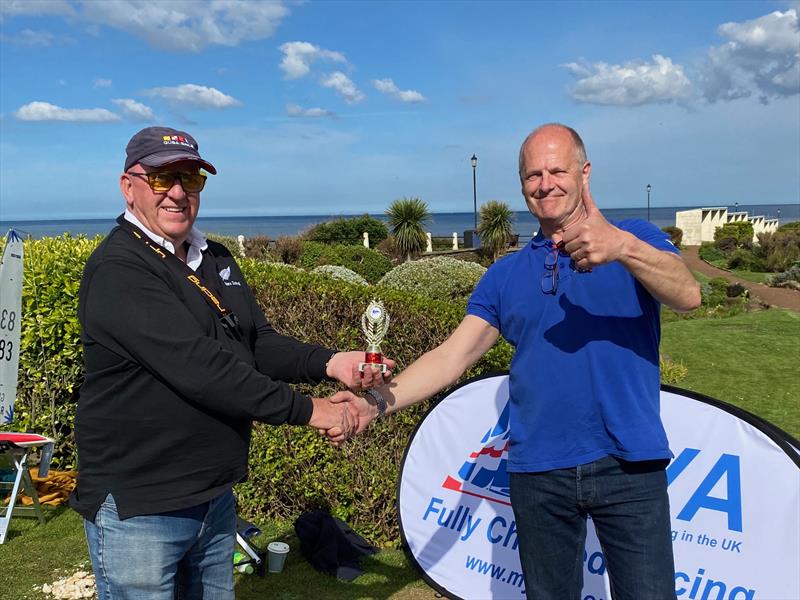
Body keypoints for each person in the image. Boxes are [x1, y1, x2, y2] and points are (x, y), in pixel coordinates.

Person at [345, 123, 701, 599]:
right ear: (522, 185)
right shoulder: (505, 274)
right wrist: (373, 403)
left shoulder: (635, 237)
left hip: (629, 465)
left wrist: (624, 249)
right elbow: (452, 356)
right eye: (533, 174)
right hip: (538, 471)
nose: (545, 183)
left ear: (584, 173)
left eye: (558, 169)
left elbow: (688, 295)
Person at [70, 126, 392, 599]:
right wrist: (312, 410)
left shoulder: (214, 257)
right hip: (142, 507)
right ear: (129, 186)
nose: (178, 192)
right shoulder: (120, 269)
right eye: (162, 179)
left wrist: (332, 362)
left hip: (213, 498)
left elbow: (253, 342)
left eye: (190, 179)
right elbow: (203, 369)